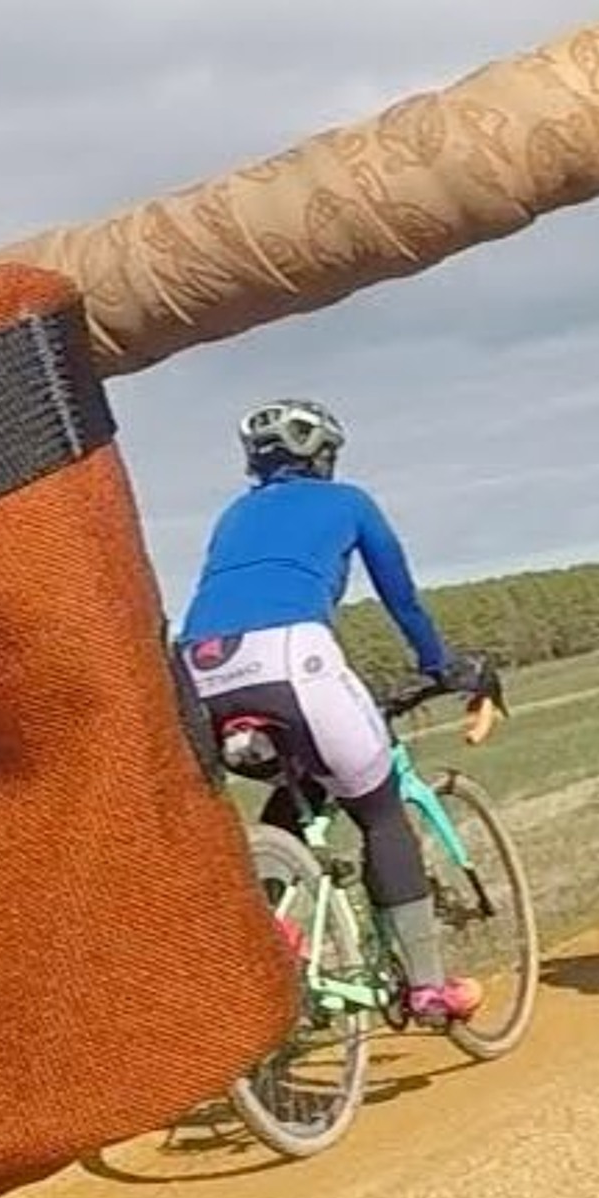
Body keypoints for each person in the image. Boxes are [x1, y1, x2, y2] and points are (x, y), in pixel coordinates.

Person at [179, 397, 484, 1027]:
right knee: (380, 811)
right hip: (293, 658)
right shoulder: (347, 501)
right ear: (324, 455)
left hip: (199, 669)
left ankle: (272, 939)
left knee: (298, 791)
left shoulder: (234, 514)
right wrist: (439, 665)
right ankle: (427, 989)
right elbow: (401, 598)